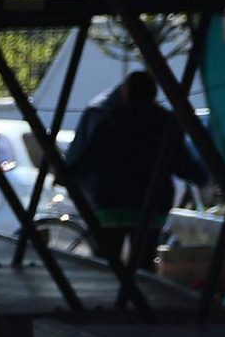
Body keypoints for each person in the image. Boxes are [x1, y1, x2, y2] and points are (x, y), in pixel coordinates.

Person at [64, 70, 208, 275]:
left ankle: (109, 300)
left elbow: (91, 158)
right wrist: (201, 177)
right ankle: (139, 300)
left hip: (111, 200)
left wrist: (68, 175)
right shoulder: (165, 121)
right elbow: (180, 160)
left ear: (127, 92)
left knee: (107, 262)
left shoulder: (111, 119)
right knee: (144, 262)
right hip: (150, 203)